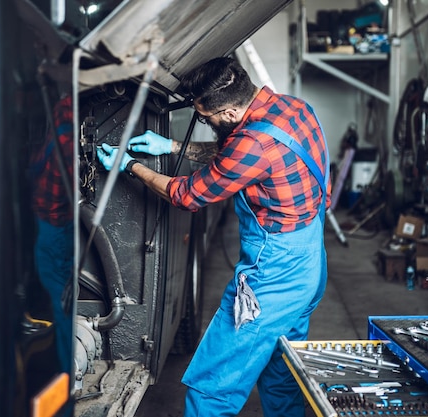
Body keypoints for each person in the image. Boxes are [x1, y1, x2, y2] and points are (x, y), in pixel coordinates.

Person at [96, 57, 331, 417]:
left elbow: (186, 195)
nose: (206, 125)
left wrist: (129, 165)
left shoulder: (252, 143)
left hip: (275, 276)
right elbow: (236, 158)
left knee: (212, 388)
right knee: (281, 373)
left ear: (232, 111)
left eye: (207, 119)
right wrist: (172, 147)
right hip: (309, 261)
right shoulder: (293, 108)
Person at [29, 93, 75, 384]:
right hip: (52, 219)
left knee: (62, 303)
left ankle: (67, 376)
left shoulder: (66, 111)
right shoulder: (68, 108)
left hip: (53, 221)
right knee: (60, 300)